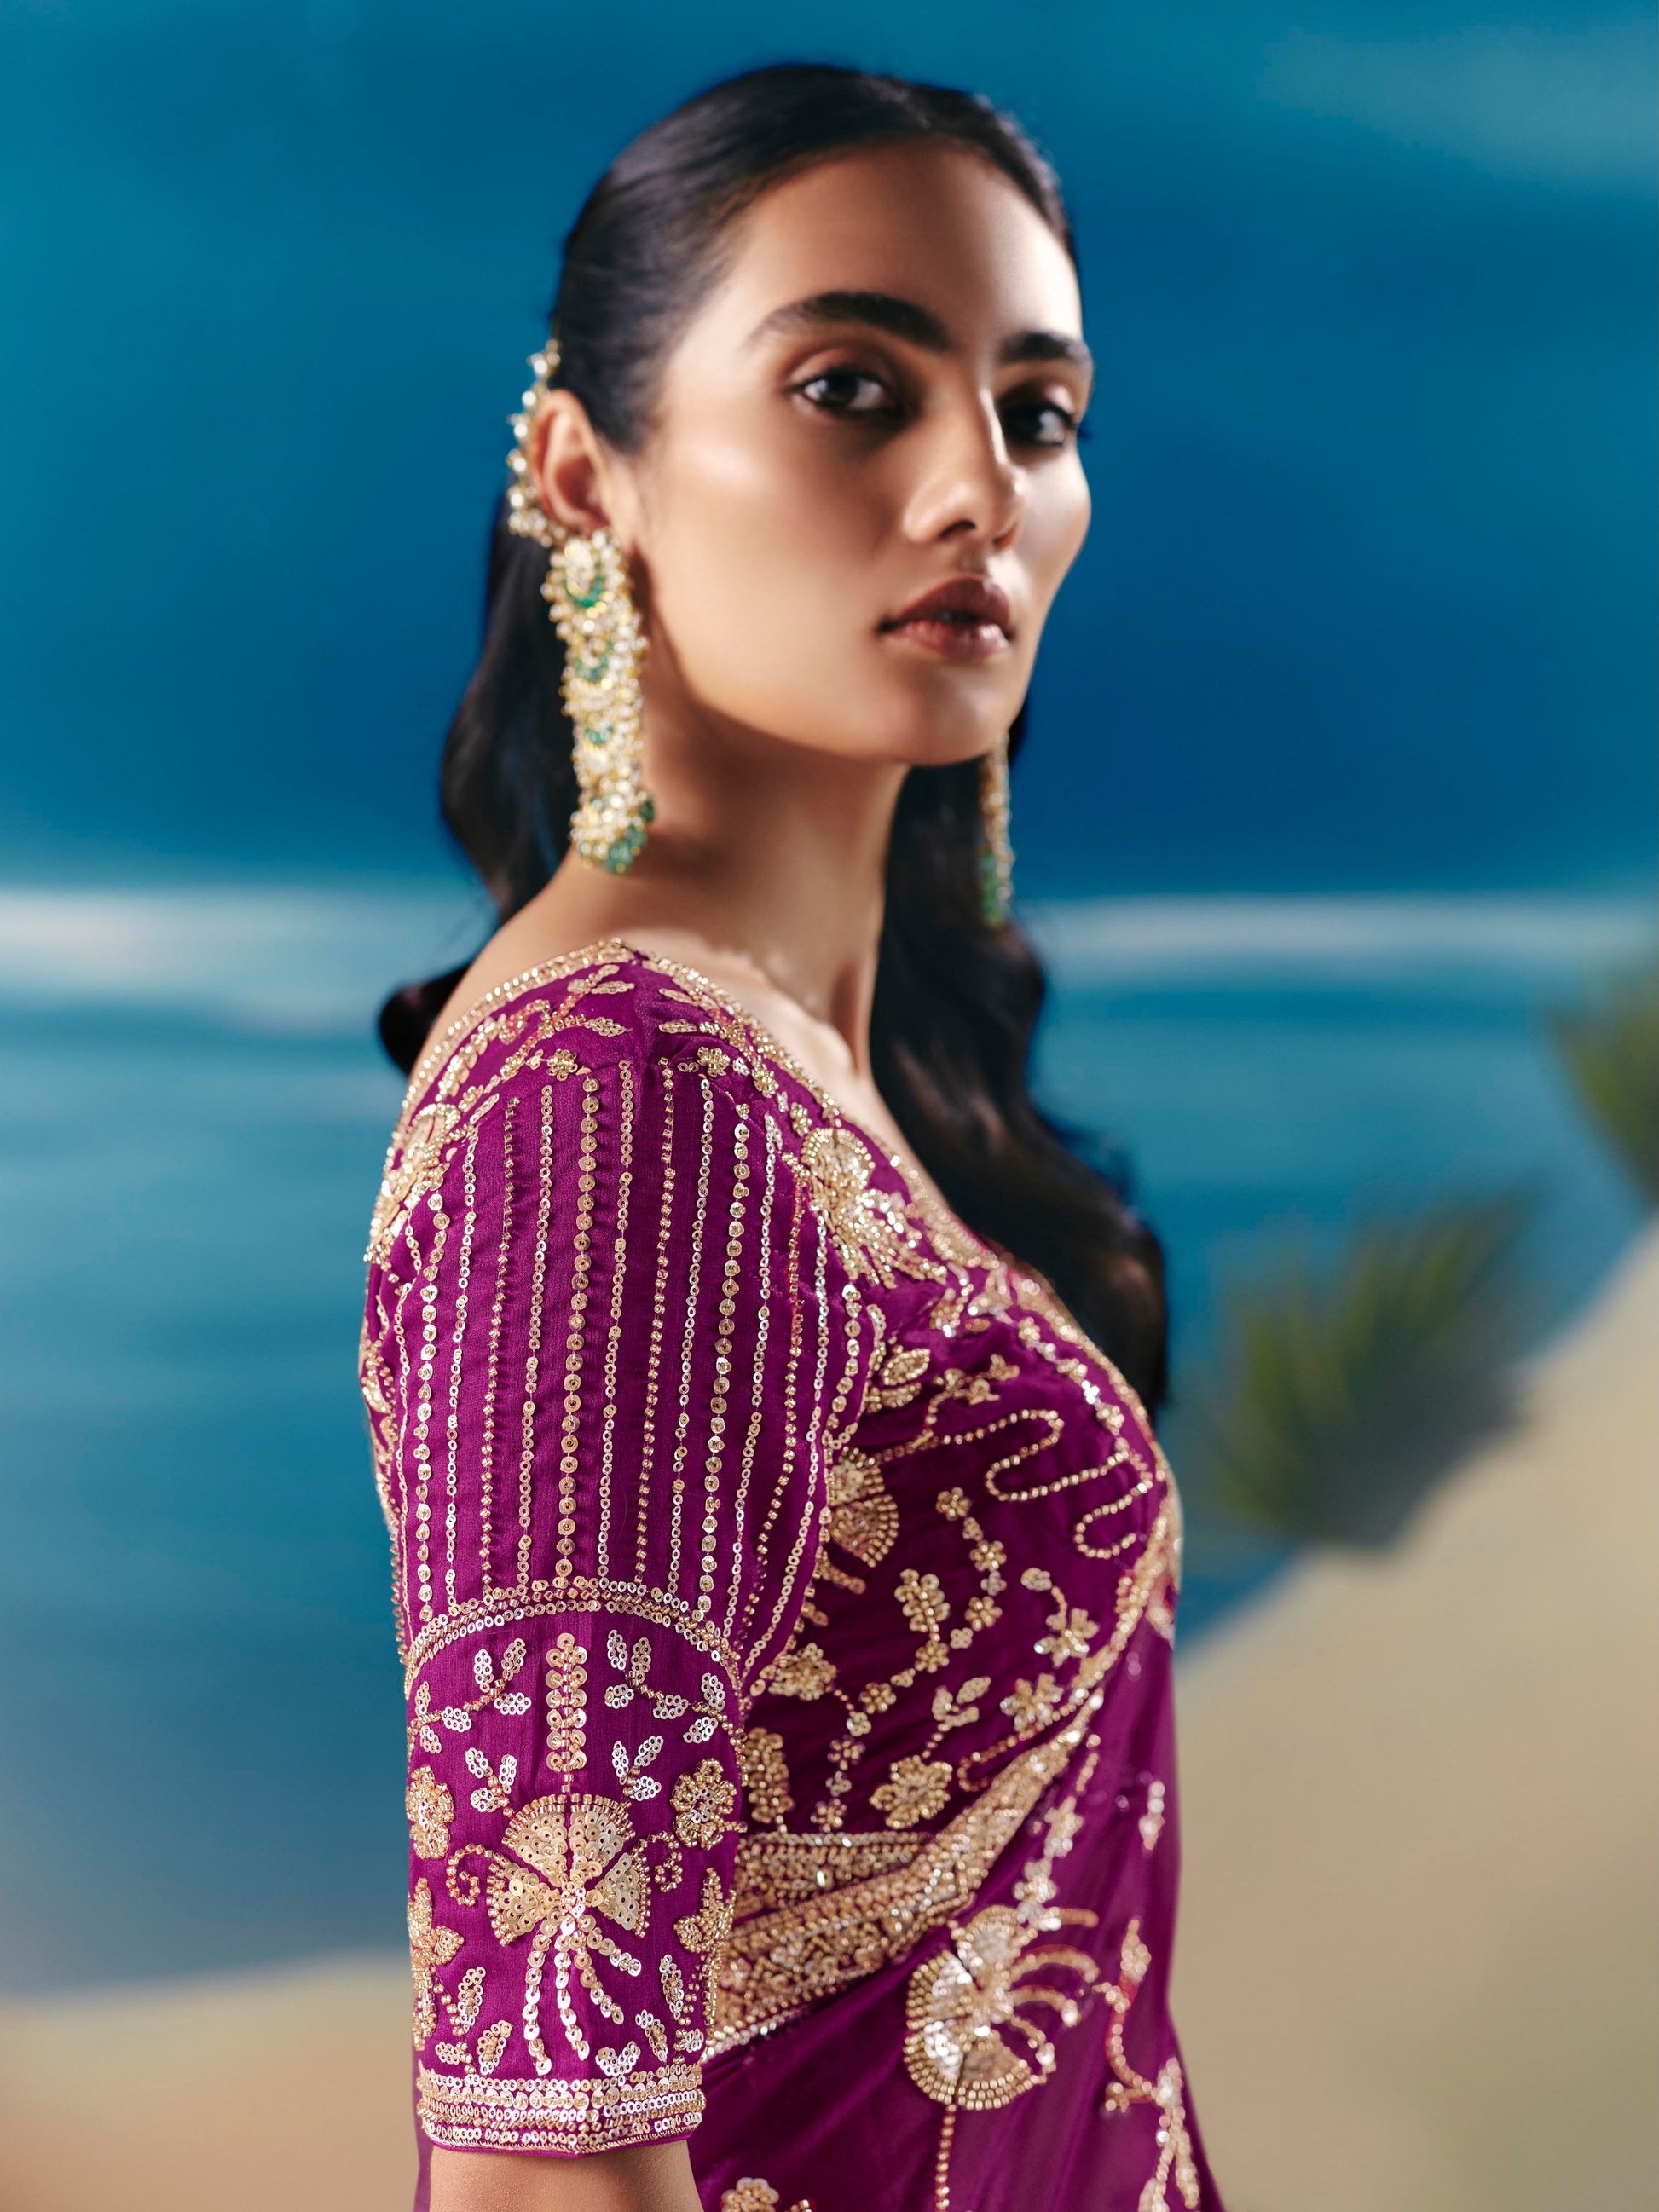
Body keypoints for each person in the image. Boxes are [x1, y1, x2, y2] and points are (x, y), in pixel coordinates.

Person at [365, 62, 1222, 2212]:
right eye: (857, 387)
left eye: (1037, 412)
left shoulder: (802, 1079)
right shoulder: (611, 1101)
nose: (978, 490)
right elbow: (545, 2149)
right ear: (586, 472)